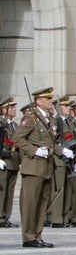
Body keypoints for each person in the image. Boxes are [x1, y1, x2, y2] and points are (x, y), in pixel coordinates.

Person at [13, 87, 69, 248]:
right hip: (33, 167)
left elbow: (50, 142)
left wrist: (60, 150)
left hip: (46, 167)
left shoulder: (48, 119)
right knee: (30, 204)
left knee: (42, 203)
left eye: (51, 99)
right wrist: (34, 151)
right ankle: (28, 237)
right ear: (38, 101)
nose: (51, 101)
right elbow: (18, 139)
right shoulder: (30, 118)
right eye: (47, 99)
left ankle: (37, 235)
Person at [0, 97, 19, 228]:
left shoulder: (15, 125)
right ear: (4, 109)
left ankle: (6, 216)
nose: (14, 109)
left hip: (14, 161)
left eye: (14, 107)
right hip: (4, 160)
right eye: (11, 107)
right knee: (2, 189)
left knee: (10, 190)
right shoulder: (1, 124)